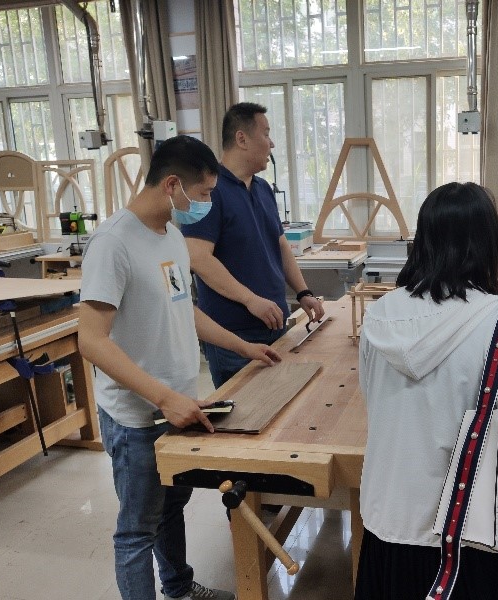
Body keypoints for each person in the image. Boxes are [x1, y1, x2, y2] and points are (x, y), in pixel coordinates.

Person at [79, 135, 282, 600]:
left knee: (171, 508)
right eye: (204, 193)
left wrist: (242, 346)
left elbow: (182, 309)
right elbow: (91, 340)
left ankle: (178, 587)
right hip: (137, 416)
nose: (207, 203)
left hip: (179, 404)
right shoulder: (112, 243)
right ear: (172, 185)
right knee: (137, 529)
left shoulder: (169, 234)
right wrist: (163, 397)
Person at [355, 182, 498, 599]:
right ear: (489, 244)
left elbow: (375, 405)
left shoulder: (377, 318)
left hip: (386, 524)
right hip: (469, 537)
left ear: (423, 240)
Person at [182, 102, 325, 388]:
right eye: (266, 134)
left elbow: (280, 245)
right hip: (234, 336)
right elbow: (198, 258)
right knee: (246, 412)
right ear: (242, 139)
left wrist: (303, 292)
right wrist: (250, 300)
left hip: (275, 326)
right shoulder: (210, 191)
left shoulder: (263, 189)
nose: (272, 144)